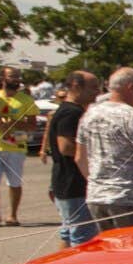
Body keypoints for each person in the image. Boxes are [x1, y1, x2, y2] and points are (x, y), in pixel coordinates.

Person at [75, 67, 133, 229]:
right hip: (129, 199)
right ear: (131, 88)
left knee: (108, 250)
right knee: (131, 251)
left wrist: (98, 183)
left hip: (96, 197)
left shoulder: (89, 115)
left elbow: (79, 158)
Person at [46, 70, 99, 246]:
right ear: (76, 86)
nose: (97, 92)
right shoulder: (71, 113)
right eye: (93, 88)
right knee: (83, 237)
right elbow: (66, 147)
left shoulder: (70, 110)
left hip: (65, 181)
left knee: (69, 233)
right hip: (73, 182)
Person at [0, 66, 36, 228]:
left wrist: (14, 123)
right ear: (3, 78)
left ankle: (12, 215)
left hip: (16, 147)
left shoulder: (26, 100)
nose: (16, 79)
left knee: (14, 183)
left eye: (18, 77)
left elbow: (32, 126)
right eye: (12, 76)